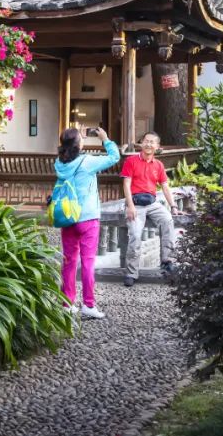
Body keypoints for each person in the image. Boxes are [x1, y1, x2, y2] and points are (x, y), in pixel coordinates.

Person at [56, 126, 120, 318]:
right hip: (88, 217)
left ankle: (66, 304)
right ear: (78, 144)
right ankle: (89, 305)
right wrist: (105, 139)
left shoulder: (59, 162)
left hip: (67, 216)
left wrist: (76, 139)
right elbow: (114, 157)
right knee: (87, 262)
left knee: (69, 261)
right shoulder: (87, 161)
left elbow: (71, 152)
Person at [120, 131, 180, 287]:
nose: (148, 144)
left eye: (152, 142)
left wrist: (173, 206)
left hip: (152, 203)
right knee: (135, 234)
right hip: (135, 203)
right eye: (146, 141)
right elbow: (126, 185)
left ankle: (167, 261)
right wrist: (130, 207)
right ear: (141, 143)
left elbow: (165, 187)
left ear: (157, 146)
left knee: (168, 220)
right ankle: (131, 272)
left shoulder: (158, 165)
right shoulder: (131, 161)